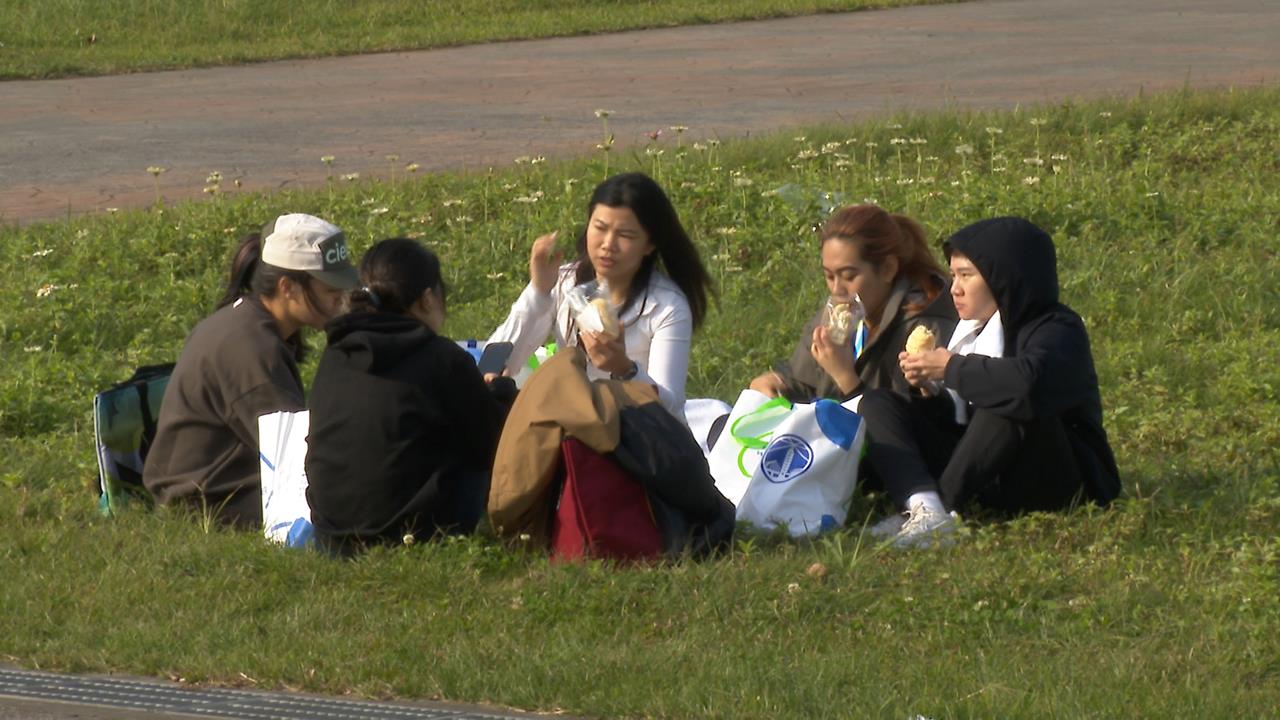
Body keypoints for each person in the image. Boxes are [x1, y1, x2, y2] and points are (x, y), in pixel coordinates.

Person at [859, 216, 1121, 547]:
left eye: (966, 275)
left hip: (1055, 477)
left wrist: (951, 368)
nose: (954, 288)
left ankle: (944, 507)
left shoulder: (1057, 328)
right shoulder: (968, 330)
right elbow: (961, 418)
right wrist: (929, 391)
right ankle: (924, 508)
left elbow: (1027, 387)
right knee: (879, 403)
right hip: (987, 471)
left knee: (1009, 400)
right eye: (953, 275)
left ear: (1004, 278)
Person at [143, 213, 357, 528]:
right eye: (330, 290)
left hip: (220, 483)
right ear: (289, 288)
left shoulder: (250, 322)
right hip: (204, 503)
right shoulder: (252, 348)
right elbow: (295, 458)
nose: (342, 299)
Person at [305, 238, 516, 555]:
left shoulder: (338, 351)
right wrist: (500, 393)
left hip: (330, 535)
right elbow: (493, 444)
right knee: (475, 458)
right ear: (428, 298)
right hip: (410, 536)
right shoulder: (440, 357)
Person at [488, 172, 712, 420]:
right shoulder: (564, 283)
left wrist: (625, 370)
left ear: (649, 245)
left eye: (625, 235)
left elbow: (670, 406)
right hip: (574, 431)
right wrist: (539, 290)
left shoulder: (666, 306)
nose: (608, 244)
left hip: (640, 441)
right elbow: (494, 365)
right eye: (600, 228)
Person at [750, 203, 957, 403]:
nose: (837, 289)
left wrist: (844, 377)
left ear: (887, 269)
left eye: (849, 276)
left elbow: (904, 429)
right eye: (829, 276)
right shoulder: (840, 314)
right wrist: (778, 382)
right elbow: (805, 382)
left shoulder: (926, 327)